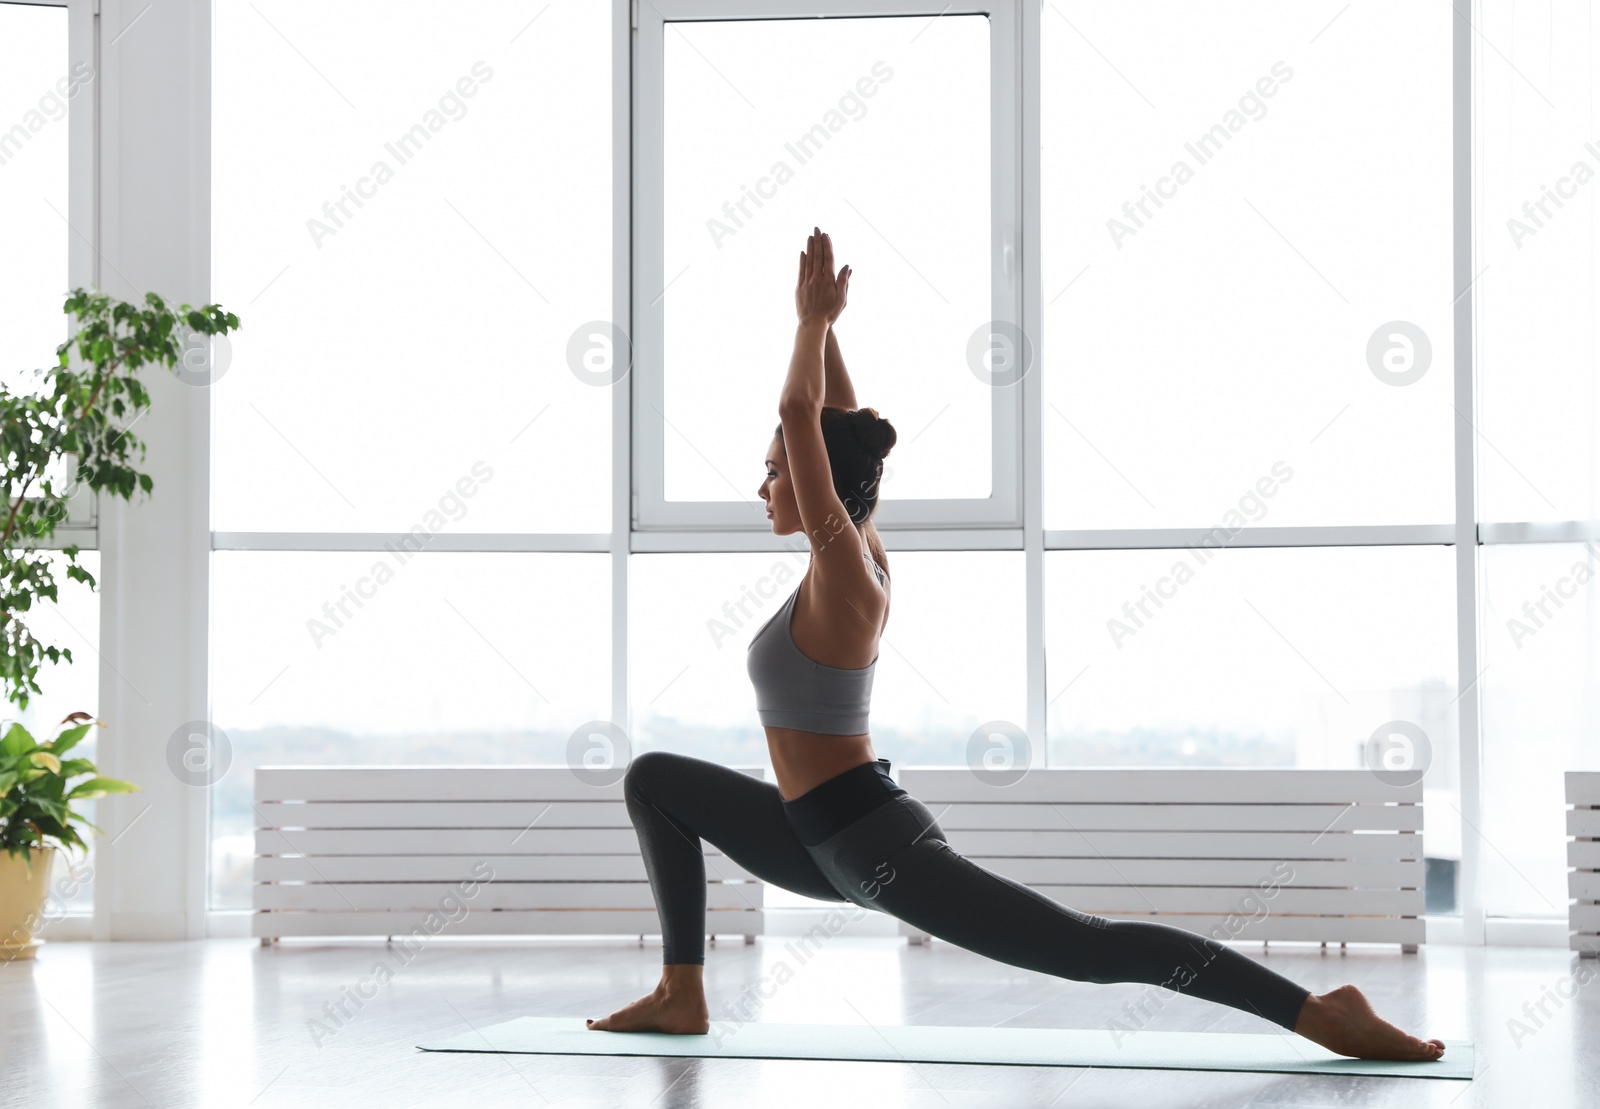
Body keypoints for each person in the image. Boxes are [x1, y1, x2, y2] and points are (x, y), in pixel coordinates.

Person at [588, 227, 1445, 1063]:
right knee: (654, 780)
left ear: (819, 486)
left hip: (872, 846)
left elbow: (801, 413)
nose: (765, 480)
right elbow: (834, 424)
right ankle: (683, 989)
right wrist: (833, 331)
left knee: (1090, 950)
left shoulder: (846, 573)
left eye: (777, 468)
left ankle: (1317, 1009)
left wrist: (809, 322)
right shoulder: (857, 550)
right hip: (814, 839)